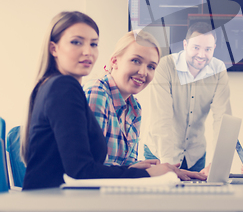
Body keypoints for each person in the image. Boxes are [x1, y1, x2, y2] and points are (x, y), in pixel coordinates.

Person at [21, 12, 180, 190]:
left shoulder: (57, 86)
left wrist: (141, 171)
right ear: (54, 49)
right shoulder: (63, 87)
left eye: (94, 44)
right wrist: (148, 175)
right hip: (51, 202)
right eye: (76, 42)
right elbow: (81, 172)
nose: (88, 51)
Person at [143, 22, 231, 172]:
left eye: (207, 49)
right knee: (163, 194)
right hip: (159, 153)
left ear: (214, 48)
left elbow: (222, 119)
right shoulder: (165, 66)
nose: (201, 55)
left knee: (195, 195)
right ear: (185, 45)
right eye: (196, 47)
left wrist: (217, 165)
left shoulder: (218, 70)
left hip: (194, 157)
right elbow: (161, 119)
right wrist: (168, 167)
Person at [84, 31, 161, 168]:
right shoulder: (97, 93)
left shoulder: (135, 108)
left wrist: (152, 168)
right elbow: (90, 166)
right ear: (115, 61)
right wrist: (135, 170)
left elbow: (126, 163)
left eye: (151, 66)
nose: (143, 72)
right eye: (136, 61)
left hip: (114, 188)